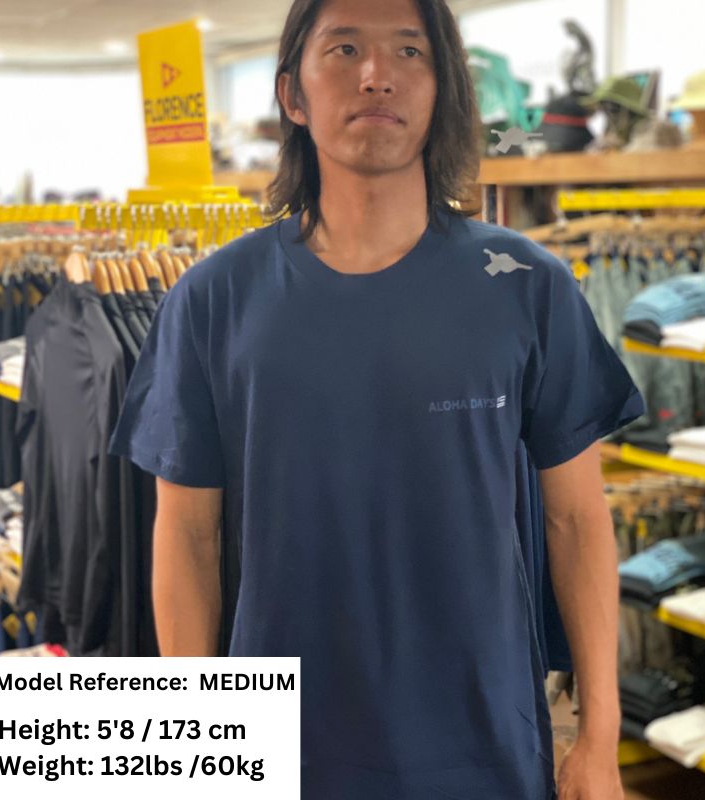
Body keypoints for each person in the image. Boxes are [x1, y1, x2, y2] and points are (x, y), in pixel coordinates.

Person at [109, 0, 644, 798]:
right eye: (344, 49)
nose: (376, 75)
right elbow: (187, 534)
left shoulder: (527, 287)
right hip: (284, 749)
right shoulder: (215, 299)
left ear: (443, 86)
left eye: (409, 51)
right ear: (292, 94)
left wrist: (599, 735)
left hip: (483, 745)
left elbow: (576, 520)